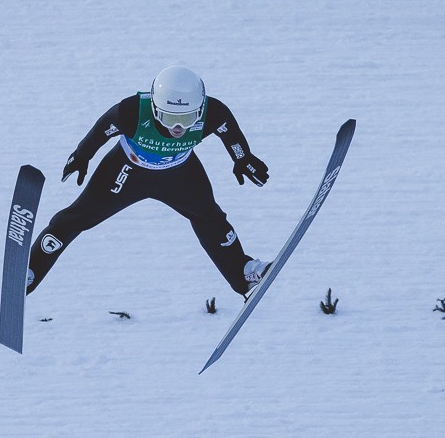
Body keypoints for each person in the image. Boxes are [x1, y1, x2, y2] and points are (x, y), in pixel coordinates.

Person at [26, 66, 271, 298]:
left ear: (200, 109)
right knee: (77, 218)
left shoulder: (213, 112)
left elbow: (229, 132)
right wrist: (81, 156)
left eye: (187, 119)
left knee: (210, 218)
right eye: (168, 118)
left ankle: (243, 273)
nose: (178, 128)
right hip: (126, 172)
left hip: (179, 174)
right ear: (154, 108)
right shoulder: (131, 112)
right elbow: (101, 131)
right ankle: (30, 271)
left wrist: (242, 158)